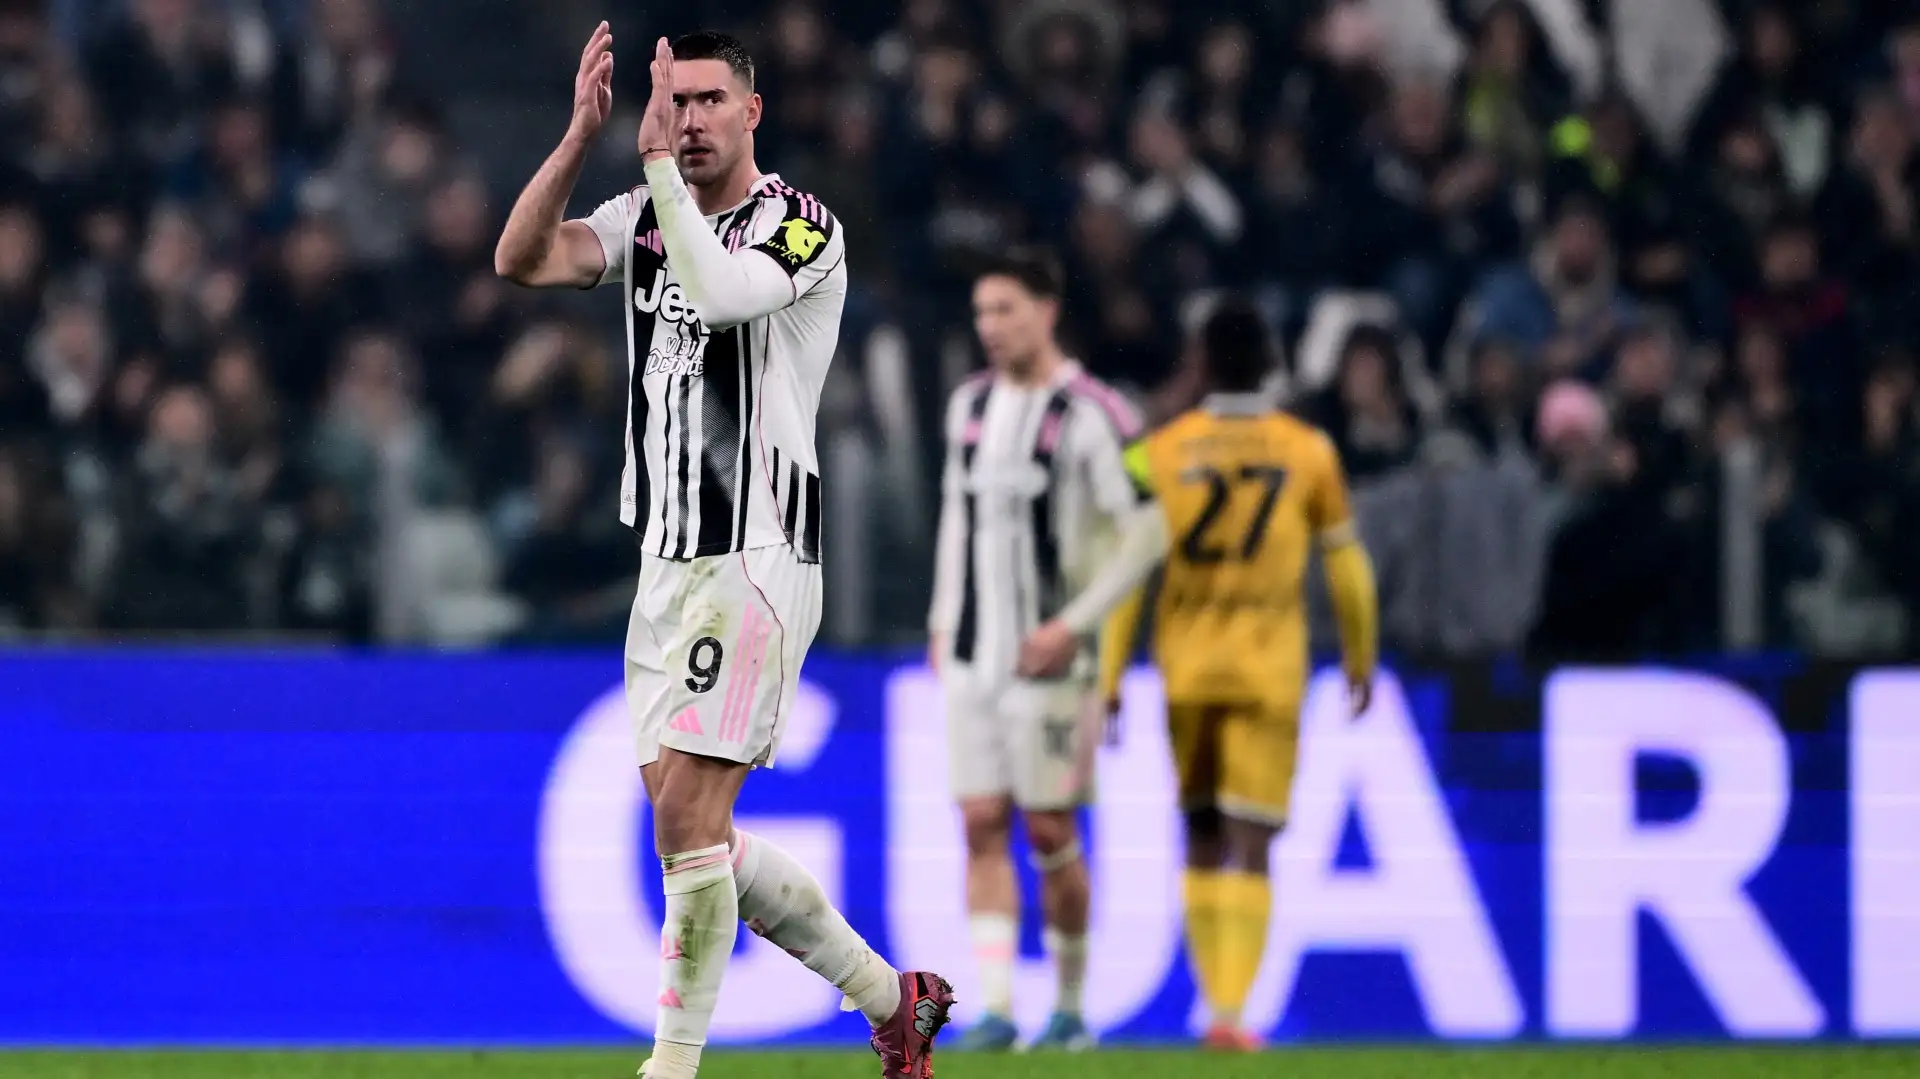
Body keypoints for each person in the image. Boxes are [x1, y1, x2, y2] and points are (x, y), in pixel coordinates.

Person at [492, 26, 951, 1079]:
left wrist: (652, 162)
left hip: (758, 550)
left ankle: (671, 1068)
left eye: (708, 100)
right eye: (678, 100)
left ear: (753, 111)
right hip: (664, 564)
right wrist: (579, 138)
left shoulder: (802, 227)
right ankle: (895, 1000)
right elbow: (520, 259)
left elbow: (727, 294)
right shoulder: (642, 214)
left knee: (692, 817)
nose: (690, 118)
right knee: (690, 835)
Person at [1018, 299, 1379, 1050]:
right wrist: (1360, 656)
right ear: (1273, 365)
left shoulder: (1162, 451)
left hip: (1188, 668)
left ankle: (1221, 1006)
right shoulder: (1308, 450)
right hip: (1269, 670)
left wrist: (1111, 677)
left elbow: (1131, 569)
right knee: (1253, 841)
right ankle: (1230, 1010)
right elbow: (1348, 570)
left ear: (1202, 364)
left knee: (1204, 834)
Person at [925, 249, 1144, 1052]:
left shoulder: (1098, 412)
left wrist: (1075, 624)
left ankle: (1073, 1007)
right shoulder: (969, 406)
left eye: (1006, 309)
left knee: (1048, 828)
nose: (991, 327)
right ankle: (997, 1006)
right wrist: (944, 617)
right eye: (982, 312)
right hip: (977, 654)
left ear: (1048, 309)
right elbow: (956, 517)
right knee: (981, 819)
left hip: (1056, 661)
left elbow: (1147, 533)